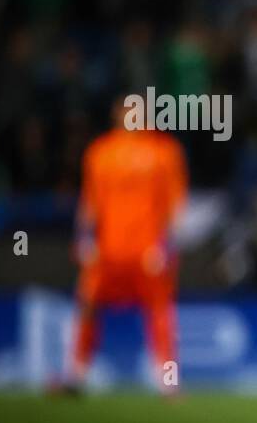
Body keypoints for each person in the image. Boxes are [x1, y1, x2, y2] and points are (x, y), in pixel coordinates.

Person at [66, 98, 187, 394]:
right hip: (107, 251)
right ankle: (76, 376)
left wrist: (167, 246)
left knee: (161, 316)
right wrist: (83, 237)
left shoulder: (165, 151)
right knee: (87, 307)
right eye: (127, 109)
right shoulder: (100, 152)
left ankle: (169, 383)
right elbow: (90, 201)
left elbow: (176, 205)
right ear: (116, 113)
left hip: (148, 251)